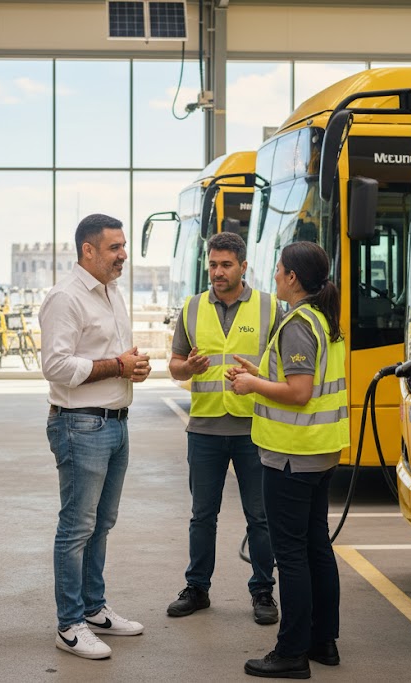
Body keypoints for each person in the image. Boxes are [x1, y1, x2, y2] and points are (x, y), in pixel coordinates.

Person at [229, 241, 349, 679]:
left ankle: (291, 652)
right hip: (318, 453)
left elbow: (299, 394)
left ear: (293, 278)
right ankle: (323, 641)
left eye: (278, 270)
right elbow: (305, 383)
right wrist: (260, 375)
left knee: (292, 554)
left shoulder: (298, 322)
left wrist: (251, 387)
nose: (274, 276)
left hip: (291, 457)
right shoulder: (321, 318)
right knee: (316, 546)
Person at [40, 213, 152, 660]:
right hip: (80, 424)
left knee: (101, 523)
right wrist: (118, 367)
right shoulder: (65, 298)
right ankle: (69, 625)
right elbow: (57, 366)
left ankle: (93, 609)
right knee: (77, 527)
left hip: (115, 421)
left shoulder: (111, 293)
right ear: (88, 250)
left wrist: (132, 368)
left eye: (123, 246)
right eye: (114, 248)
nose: (123, 255)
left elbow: (112, 356)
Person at [166, 231, 279, 625]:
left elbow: (285, 368)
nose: (217, 271)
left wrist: (258, 375)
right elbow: (175, 364)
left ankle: (263, 592)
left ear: (243, 267)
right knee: (202, 515)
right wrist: (189, 369)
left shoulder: (270, 307)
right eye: (212, 264)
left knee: (260, 517)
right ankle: (197, 588)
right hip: (205, 428)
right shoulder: (192, 307)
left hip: (255, 428)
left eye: (225, 265)